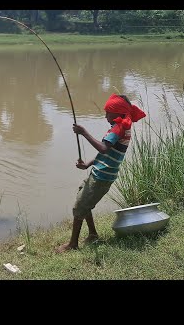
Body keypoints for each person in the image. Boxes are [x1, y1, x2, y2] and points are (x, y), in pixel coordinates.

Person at [55, 93, 146, 253]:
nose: (105, 116)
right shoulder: (120, 127)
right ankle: (92, 234)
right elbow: (106, 153)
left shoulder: (119, 128)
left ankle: (72, 245)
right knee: (82, 197)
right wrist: (88, 164)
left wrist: (84, 133)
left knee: (79, 207)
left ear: (118, 113)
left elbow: (103, 148)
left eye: (108, 113)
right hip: (100, 173)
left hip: (102, 177)